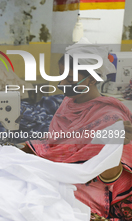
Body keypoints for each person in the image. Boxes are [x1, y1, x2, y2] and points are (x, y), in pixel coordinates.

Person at [22, 39, 132, 220]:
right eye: (61, 75)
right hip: (64, 175)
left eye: (70, 78)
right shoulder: (69, 103)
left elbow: (112, 176)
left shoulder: (111, 117)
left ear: (90, 78)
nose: (62, 82)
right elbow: (55, 146)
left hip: (94, 189)